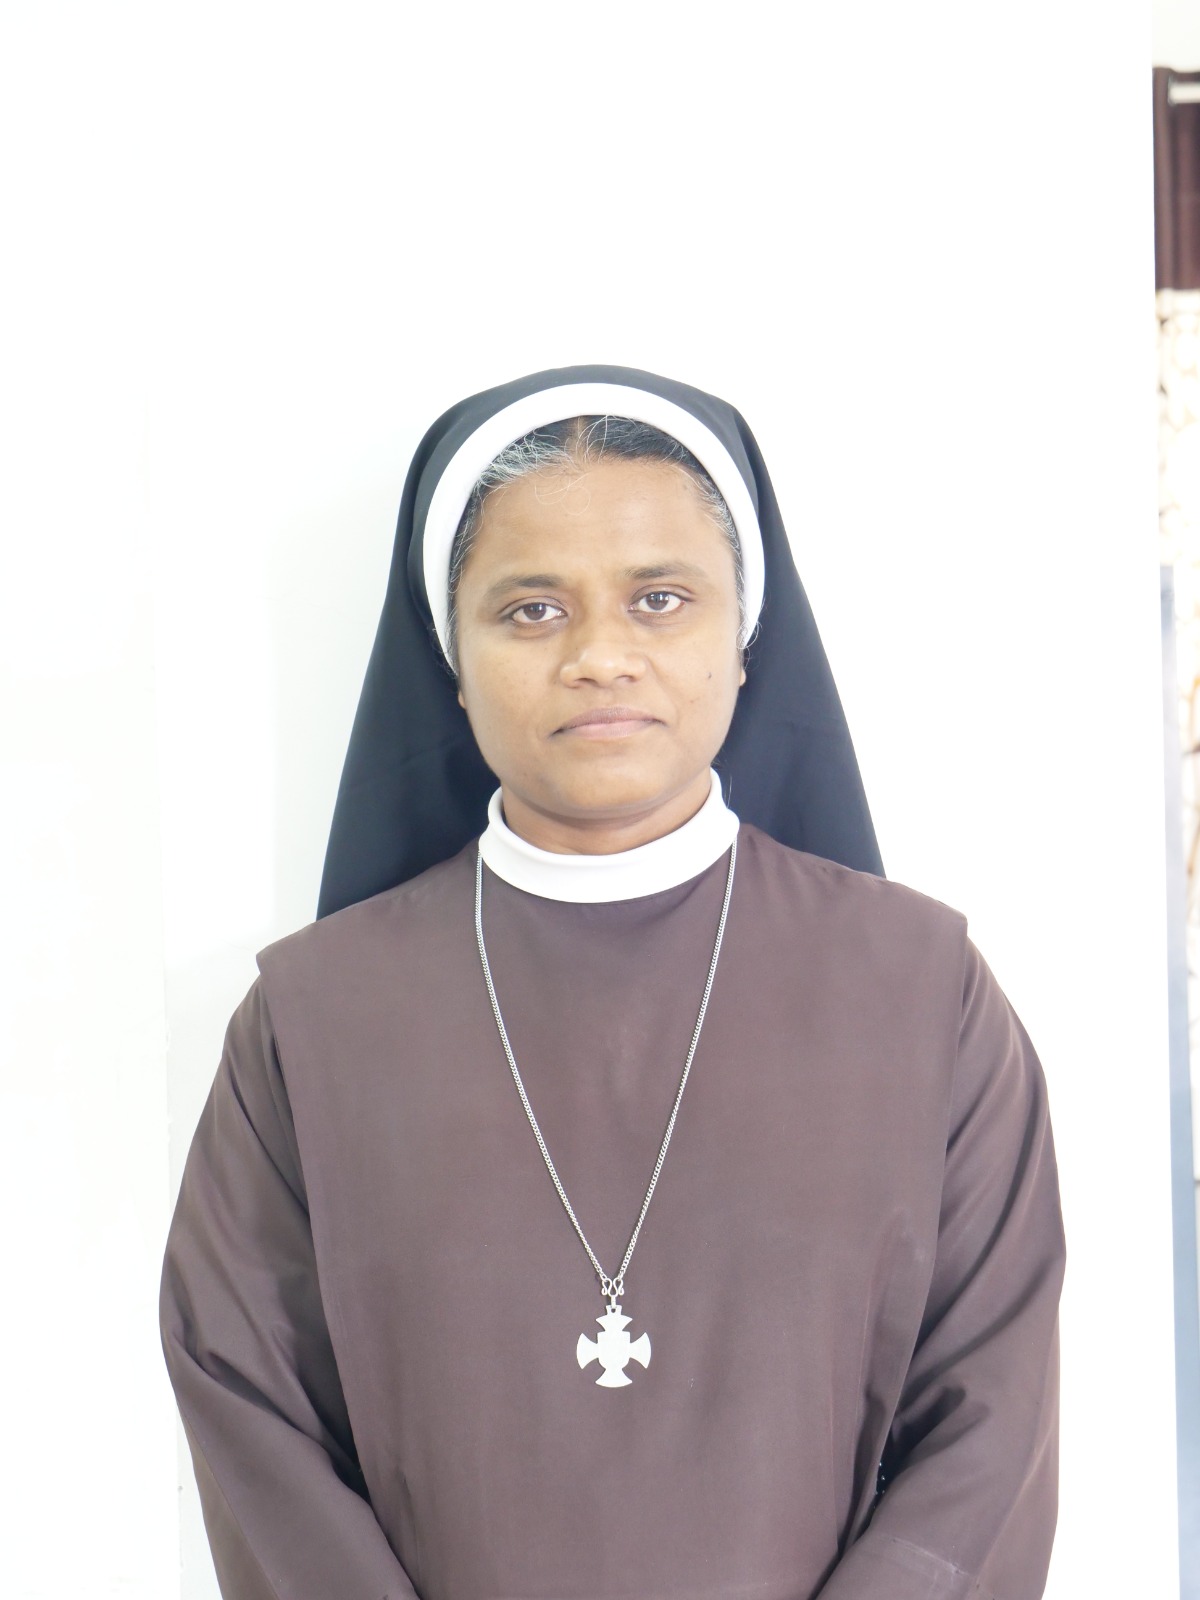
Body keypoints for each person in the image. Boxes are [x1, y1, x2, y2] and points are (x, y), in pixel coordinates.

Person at [159, 363, 1066, 1600]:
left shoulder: (922, 989)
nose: (600, 656)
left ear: (744, 641)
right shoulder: (311, 1019)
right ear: (454, 657)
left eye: (659, 598)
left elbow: (992, 1419)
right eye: (531, 609)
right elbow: (250, 1408)